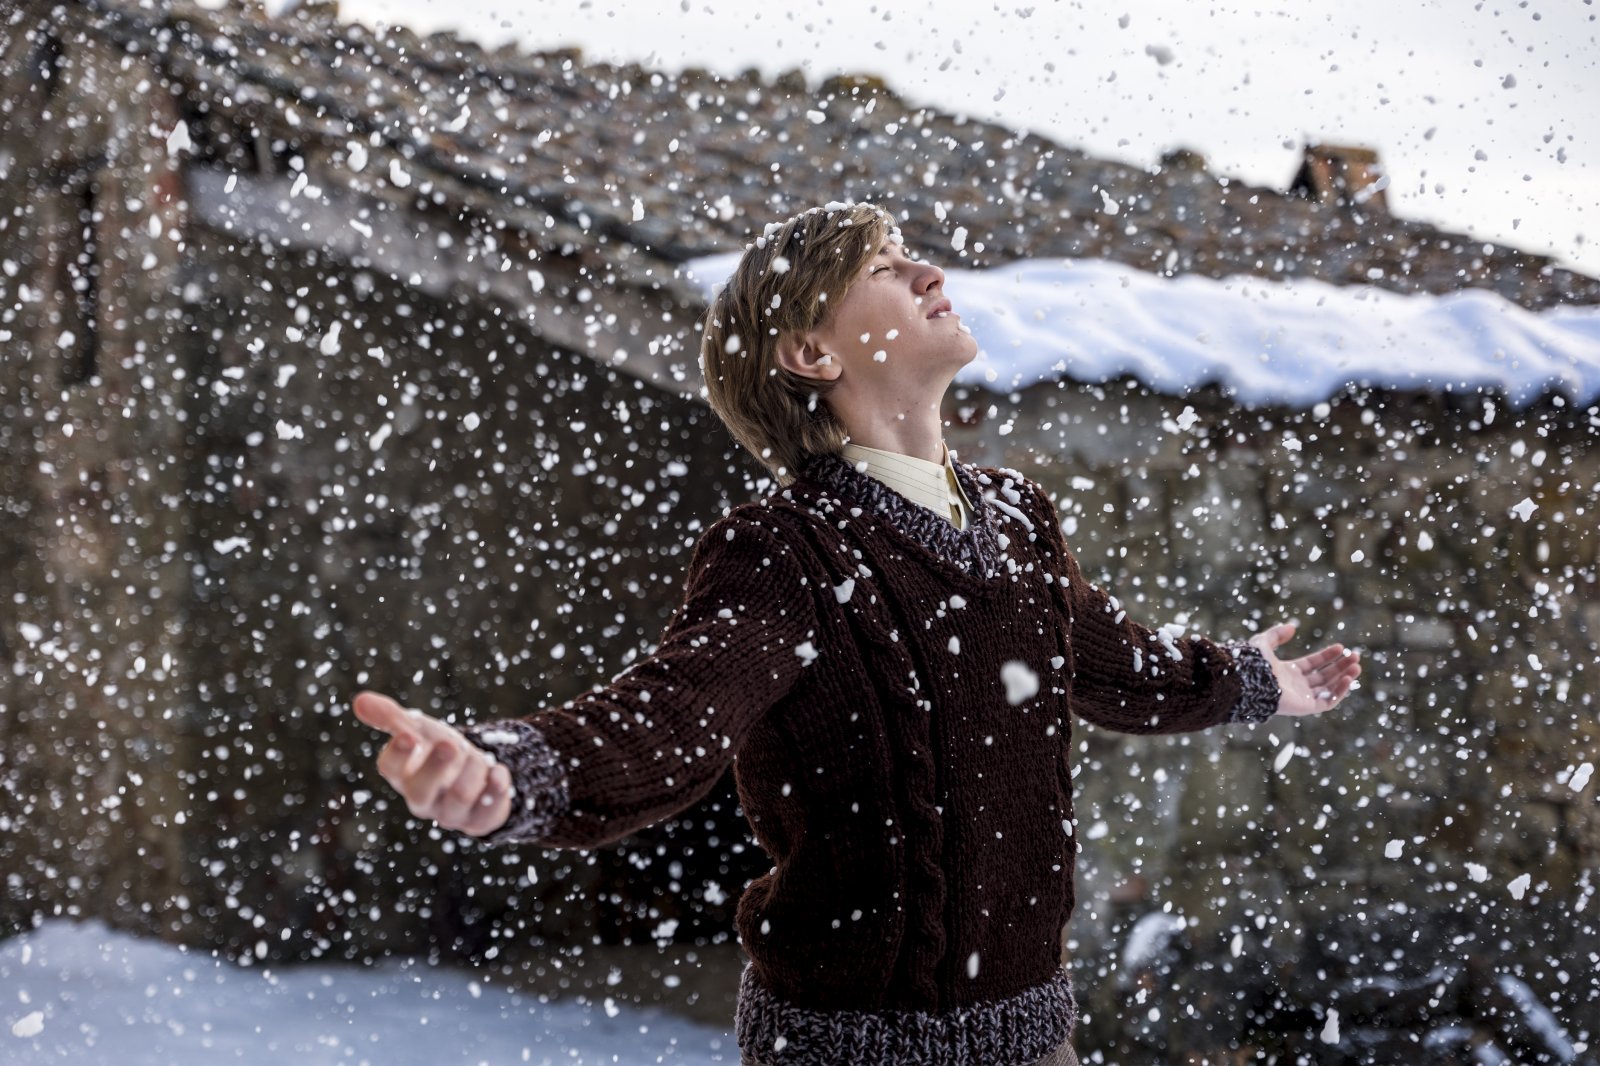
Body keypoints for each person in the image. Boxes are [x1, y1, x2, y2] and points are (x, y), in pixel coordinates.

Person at [352, 201, 1362, 1066]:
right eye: (884, 267)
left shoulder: (1014, 519)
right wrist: (513, 769)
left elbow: (1109, 660)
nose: (928, 270)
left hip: (1035, 1042)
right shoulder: (785, 551)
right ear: (810, 353)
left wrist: (1245, 679)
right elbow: (675, 713)